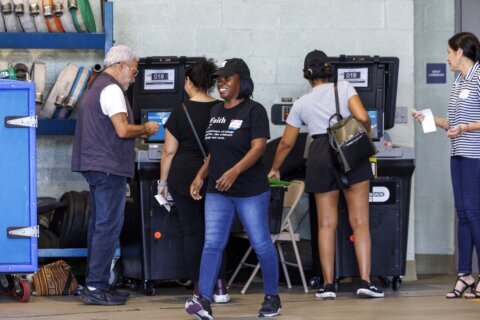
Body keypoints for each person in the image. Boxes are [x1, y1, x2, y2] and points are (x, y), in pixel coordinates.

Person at [268, 50, 384, 300]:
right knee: (360, 222)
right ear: (329, 70)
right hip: (350, 150)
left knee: (325, 225)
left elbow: (286, 144)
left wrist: (275, 167)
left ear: (307, 75)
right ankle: (365, 281)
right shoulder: (344, 88)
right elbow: (363, 117)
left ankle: (328, 285)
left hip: (320, 154)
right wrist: (360, 134)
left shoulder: (301, 103)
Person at [184, 58, 282, 319]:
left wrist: (235, 171)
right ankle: (204, 299)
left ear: (243, 81)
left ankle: (272, 297)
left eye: (228, 78)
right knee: (212, 243)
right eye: (218, 79)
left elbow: (259, 147)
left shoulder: (254, 110)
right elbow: (214, 150)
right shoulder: (216, 111)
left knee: (261, 244)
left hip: (249, 191)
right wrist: (200, 175)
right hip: (218, 190)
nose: (221, 83)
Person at [71, 45, 159, 305]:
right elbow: (121, 130)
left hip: (96, 165)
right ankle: (97, 287)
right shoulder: (111, 89)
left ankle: (95, 284)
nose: (134, 77)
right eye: (133, 71)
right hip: (107, 167)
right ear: (120, 64)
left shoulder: (97, 86)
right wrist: (145, 128)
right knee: (107, 226)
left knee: (101, 226)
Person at [412, 32, 480, 299]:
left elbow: (469, 125)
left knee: (473, 213)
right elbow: (454, 125)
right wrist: (431, 119)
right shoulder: (459, 80)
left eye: (449, 52)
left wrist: (465, 127)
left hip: (476, 155)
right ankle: (464, 275)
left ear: (460, 52)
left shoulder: (478, 77)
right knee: (462, 213)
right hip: (458, 153)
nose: (447, 57)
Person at [157, 58, 230, 303]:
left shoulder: (181, 111)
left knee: (192, 233)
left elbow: (168, 151)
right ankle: (220, 286)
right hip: (217, 174)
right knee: (217, 233)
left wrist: (162, 182)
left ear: (188, 81)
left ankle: (200, 288)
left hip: (183, 176)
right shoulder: (222, 108)